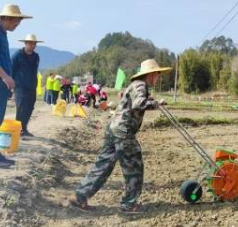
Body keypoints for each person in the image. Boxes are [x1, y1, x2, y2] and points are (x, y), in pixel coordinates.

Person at [73, 59, 171, 213]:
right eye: (157, 75)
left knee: (103, 166)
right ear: (151, 74)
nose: (158, 78)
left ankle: (80, 197)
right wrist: (156, 104)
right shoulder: (140, 85)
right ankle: (129, 204)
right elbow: (139, 103)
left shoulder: (135, 85)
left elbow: (135, 101)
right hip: (124, 132)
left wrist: (151, 100)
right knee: (134, 167)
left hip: (113, 129)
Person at [0, 4, 32, 168]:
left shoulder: (2, 33)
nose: (18, 24)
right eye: (17, 21)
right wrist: (5, 76)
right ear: (8, 18)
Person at [12, 34, 41, 137]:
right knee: (21, 108)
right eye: (31, 43)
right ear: (25, 43)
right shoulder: (17, 55)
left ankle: (24, 128)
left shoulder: (36, 56)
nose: (33, 45)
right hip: (20, 86)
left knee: (30, 107)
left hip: (32, 86)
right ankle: (18, 130)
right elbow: (11, 69)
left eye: (34, 43)